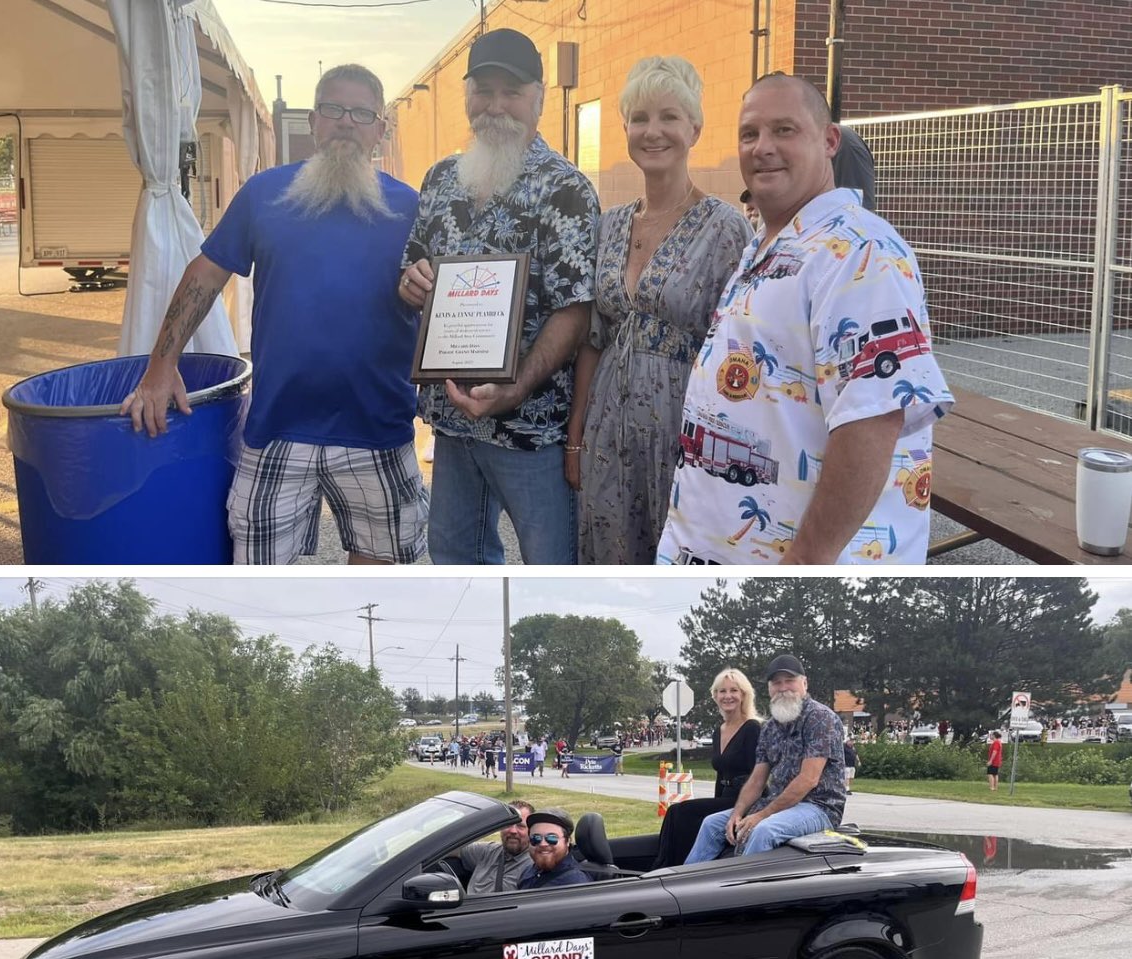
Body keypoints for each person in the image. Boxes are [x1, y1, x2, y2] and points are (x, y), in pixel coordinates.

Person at [123, 64, 428, 565]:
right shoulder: (265, 194)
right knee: (258, 573)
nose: (346, 122)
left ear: (380, 129)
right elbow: (206, 274)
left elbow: (436, 295)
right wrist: (161, 366)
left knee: (382, 576)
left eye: (361, 112)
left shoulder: (412, 207)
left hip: (378, 425)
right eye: (333, 109)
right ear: (314, 121)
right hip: (279, 425)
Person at [656, 72, 954, 566]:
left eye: (784, 130)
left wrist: (804, 566)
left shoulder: (860, 251)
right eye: (749, 134)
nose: (762, 147)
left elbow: (872, 422)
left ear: (829, 139)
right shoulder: (770, 246)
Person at [399, 28, 600, 564]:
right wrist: (411, 280)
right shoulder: (440, 180)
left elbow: (576, 310)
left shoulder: (566, 189)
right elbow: (412, 264)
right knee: (454, 557)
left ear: (537, 97)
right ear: (465, 97)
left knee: (549, 563)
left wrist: (514, 387)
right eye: (483, 90)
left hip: (529, 425)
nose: (496, 105)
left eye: (510, 91)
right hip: (451, 418)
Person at [567, 57, 751, 564]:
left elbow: (740, 353)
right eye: (640, 118)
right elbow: (593, 339)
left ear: (694, 128)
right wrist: (575, 437)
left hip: (684, 432)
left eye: (669, 117)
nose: (653, 131)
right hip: (607, 431)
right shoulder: (607, 227)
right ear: (625, 127)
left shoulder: (725, 230)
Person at [685, 654, 846, 862]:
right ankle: (689, 888)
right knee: (712, 824)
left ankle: (741, 890)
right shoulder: (769, 727)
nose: (783, 687)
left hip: (819, 807)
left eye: (790, 681)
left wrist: (762, 815)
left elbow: (809, 779)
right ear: (769, 688)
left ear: (804, 683)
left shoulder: (820, 718)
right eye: (776, 682)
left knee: (764, 830)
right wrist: (738, 812)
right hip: (778, 804)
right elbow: (757, 779)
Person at [653, 667, 762, 868]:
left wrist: (738, 809)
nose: (727, 696)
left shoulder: (752, 728)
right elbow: (721, 774)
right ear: (715, 696)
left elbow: (758, 777)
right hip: (724, 797)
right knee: (674, 812)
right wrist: (713, 803)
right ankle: (663, 866)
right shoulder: (718, 731)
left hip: (745, 800)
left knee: (681, 813)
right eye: (722, 691)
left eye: (733, 690)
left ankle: (676, 871)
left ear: (744, 695)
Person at [457, 800, 534, 893]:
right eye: (508, 824)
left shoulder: (534, 865)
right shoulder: (487, 851)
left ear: (531, 830)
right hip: (467, 906)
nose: (513, 831)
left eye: (520, 826)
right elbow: (449, 848)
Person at [517, 809, 593, 889]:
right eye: (536, 838)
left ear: (568, 841)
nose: (543, 844)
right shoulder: (528, 871)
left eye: (552, 838)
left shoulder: (575, 883)